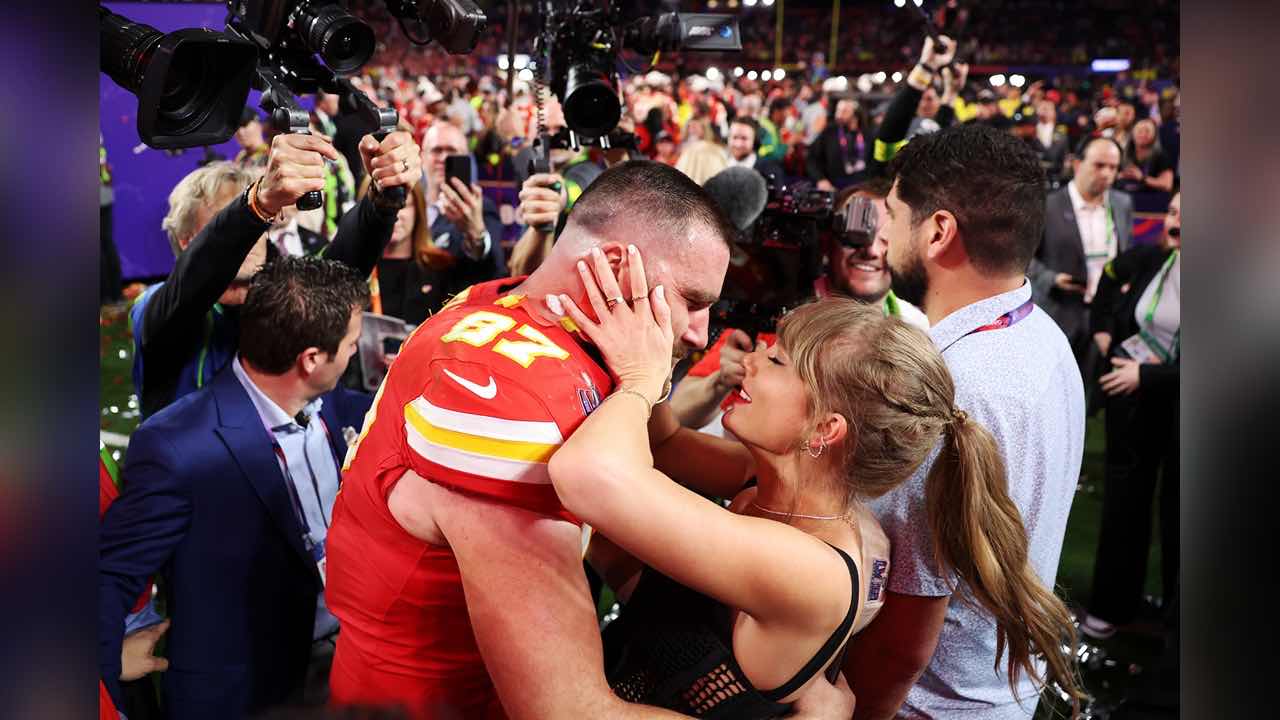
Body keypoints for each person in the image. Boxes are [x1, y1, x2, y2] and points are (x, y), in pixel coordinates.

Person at [325, 160, 850, 718]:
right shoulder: (510, 402)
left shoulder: (498, 301)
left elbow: (666, 444)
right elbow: (570, 710)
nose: (700, 332)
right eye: (691, 301)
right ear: (617, 266)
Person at [549, 252, 1080, 717]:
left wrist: (641, 379)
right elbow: (664, 446)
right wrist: (662, 342)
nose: (751, 362)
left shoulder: (814, 569)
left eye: (777, 360)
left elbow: (586, 476)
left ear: (825, 429)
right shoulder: (770, 484)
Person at [842, 124, 1086, 718]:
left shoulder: (949, 388)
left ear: (938, 231)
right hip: (997, 692)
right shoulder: (1042, 333)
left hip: (928, 705)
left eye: (894, 214)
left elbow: (903, 638)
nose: (882, 234)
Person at [100, 257, 375, 720]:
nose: (353, 354)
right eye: (350, 344)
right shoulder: (176, 447)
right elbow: (108, 576)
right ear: (311, 359)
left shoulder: (348, 409)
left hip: (350, 666)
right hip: (247, 695)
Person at [130, 130, 421, 418]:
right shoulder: (156, 307)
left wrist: (381, 200)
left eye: (259, 224)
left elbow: (340, 270)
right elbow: (193, 283)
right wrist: (256, 204)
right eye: (229, 222)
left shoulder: (276, 295)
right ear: (187, 239)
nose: (249, 238)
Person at [670, 177, 926, 433]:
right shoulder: (781, 311)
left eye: (886, 238)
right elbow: (678, 414)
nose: (869, 249)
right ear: (827, 241)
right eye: (856, 234)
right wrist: (721, 382)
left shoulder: (917, 328)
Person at [1081, 192, 1180, 640]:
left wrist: (1150, 376)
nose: (1176, 220)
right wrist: (1103, 328)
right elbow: (1108, 277)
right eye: (1175, 210)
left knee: (1180, 512)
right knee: (1125, 507)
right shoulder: (1150, 258)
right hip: (1135, 408)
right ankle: (1110, 607)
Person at [1029, 136, 1133, 370]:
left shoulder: (1122, 203)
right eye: (1099, 165)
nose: (1107, 173)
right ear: (1077, 164)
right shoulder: (1047, 205)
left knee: (1094, 392)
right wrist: (1052, 279)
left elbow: (1126, 252)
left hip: (1105, 316)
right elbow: (1024, 259)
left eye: (1113, 167)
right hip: (1060, 313)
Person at [361, 178, 456, 326]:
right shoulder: (353, 269)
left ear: (418, 210)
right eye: (383, 205)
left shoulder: (441, 267)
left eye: (403, 205)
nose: (393, 214)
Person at [805, 97, 867, 191]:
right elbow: (811, 159)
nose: (838, 115)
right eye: (838, 110)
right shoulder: (829, 132)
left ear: (855, 114)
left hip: (861, 187)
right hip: (834, 187)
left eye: (844, 111)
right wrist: (820, 179)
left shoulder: (868, 134)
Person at [1117, 118, 1176, 195]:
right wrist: (1118, 176)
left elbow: (1167, 185)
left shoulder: (1161, 156)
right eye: (1139, 130)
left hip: (1150, 199)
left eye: (1147, 131)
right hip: (1123, 196)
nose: (1142, 134)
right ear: (1132, 133)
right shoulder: (1122, 153)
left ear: (1154, 135)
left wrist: (1142, 178)